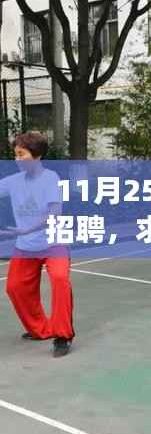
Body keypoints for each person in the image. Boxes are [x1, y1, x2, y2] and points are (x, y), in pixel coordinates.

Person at [0, 132, 74, 357]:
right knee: (15, 287)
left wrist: (26, 229)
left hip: (53, 243)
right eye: (15, 154)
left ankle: (62, 335)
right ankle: (41, 329)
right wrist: (25, 233)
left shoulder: (51, 178)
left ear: (37, 155)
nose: (17, 159)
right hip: (26, 246)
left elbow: (54, 213)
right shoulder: (13, 181)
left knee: (60, 280)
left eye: (21, 154)